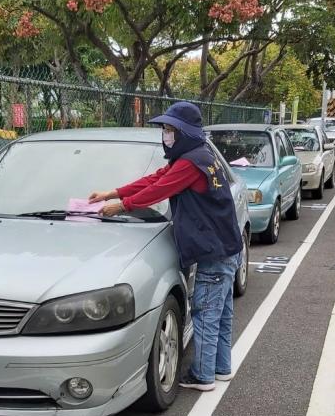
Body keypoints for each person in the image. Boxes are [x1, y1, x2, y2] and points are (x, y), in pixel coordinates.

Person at [89, 102, 244, 392]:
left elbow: (159, 190)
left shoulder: (188, 164)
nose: (166, 135)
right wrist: (113, 192)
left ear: (185, 132)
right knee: (221, 314)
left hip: (214, 252)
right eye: (165, 130)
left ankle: (203, 376)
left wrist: (122, 206)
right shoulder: (200, 155)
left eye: (171, 130)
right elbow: (156, 178)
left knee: (206, 314)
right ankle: (221, 368)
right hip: (227, 247)